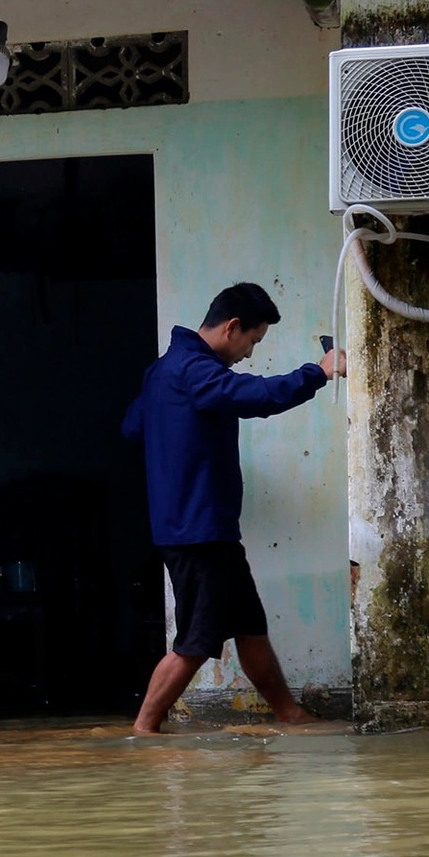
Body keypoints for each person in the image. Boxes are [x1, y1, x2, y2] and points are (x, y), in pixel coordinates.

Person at [122, 282, 345, 734]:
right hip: (198, 532)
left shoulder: (163, 371)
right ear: (232, 327)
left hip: (207, 528)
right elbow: (255, 396)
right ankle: (143, 731)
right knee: (195, 642)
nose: (248, 353)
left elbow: (133, 427)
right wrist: (317, 372)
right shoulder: (195, 371)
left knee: (249, 626)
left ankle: (290, 714)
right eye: (253, 341)